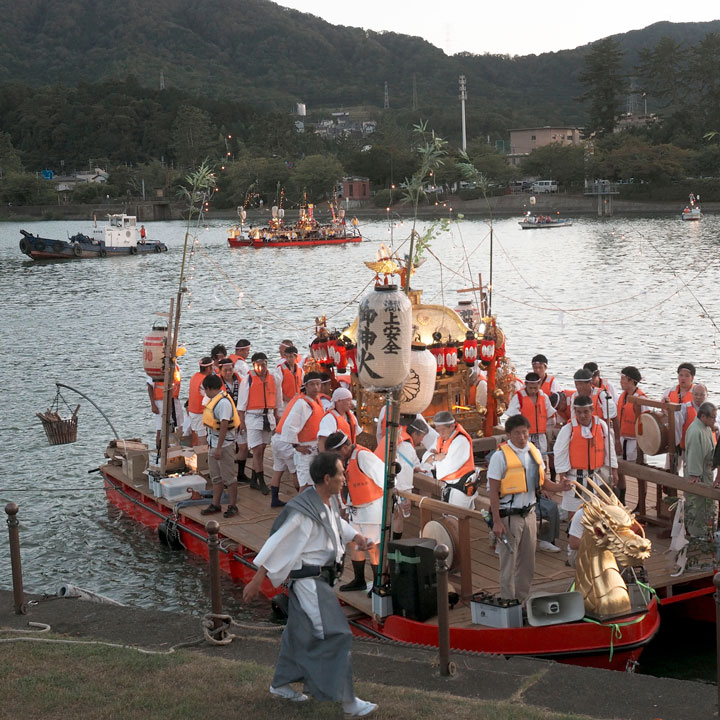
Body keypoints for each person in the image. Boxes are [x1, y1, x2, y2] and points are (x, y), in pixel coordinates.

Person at [242, 453, 377, 716]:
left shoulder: (326, 500)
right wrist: (257, 579)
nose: (344, 477)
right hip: (310, 584)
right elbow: (278, 542)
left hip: (318, 581)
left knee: (298, 633)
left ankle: (280, 685)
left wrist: (357, 537)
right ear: (327, 478)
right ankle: (348, 702)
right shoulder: (303, 511)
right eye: (340, 473)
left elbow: (335, 524)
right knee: (336, 634)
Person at [487, 415, 571, 600]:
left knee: (528, 563)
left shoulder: (534, 452)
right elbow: (492, 491)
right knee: (508, 563)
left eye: (525, 432)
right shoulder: (499, 457)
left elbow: (543, 482)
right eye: (517, 433)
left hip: (530, 514)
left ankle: (521, 599)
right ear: (509, 435)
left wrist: (560, 487)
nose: (522, 437)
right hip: (510, 516)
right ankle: (508, 601)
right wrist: (497, 522)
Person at [325, 431, 385, 592]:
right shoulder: (342, 462)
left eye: (335, 453)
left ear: (345, 448)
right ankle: (359, 579)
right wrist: (344, 508)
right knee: (354, 543)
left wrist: (396, 501)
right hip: (353, 509)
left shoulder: (363, 456)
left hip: (371, 509)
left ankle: (378, 582)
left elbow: (384, 477)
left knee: (373, 546)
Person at [554, 395, 618, 518]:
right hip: (575, 477)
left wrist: (614, 470)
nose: (582, 415)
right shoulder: (568, 429)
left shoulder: (602, 426)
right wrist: (562, 477)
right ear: (574, 411)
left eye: (585, 412)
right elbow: (560, 452)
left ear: (592, 410)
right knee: (573, 514)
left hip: (596, 477)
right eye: (578, 412)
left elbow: (610, 449)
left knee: (597, 513)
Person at [375, 415, 428, 539]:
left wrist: (417, 467)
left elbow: (413, 464)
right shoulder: (406, 446)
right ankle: (394, 545)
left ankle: (387, 542)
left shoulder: (395, 437)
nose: (422, 440)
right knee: (397, 517)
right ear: (415, 434)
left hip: (379, 482)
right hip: (396, 488)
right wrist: (405, 496)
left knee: (387, 517)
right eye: (421, 436)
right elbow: (404, 473)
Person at [237, 353, 281, 497]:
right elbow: (241, 405)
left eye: (264, 364)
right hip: (253, 417)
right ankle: (261, 482)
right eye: (258, 365)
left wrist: (277, 417)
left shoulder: (274, 378)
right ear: (254, 365)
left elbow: (278, 400)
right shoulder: (247, 380)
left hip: (268, 417)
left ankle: (253, 479)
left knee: (261, 449)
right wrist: (242, 422)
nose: (262, 368)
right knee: (256, 451)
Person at [201, 374, 240, 518]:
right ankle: (216, 504)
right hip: (213, 443)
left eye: (205, 389)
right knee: (216, 477)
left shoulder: (223, 403)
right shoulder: (214, 400)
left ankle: (233, 506)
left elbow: (224, 425)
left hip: (224, 445)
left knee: (229, 478)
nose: (205, 392)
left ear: (210, 388)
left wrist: (219, 447)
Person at [422, 411, 478, 509]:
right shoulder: (440, 439)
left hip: (461, 488)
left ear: (452, 426)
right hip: (449, 486)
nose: (441, 433)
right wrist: (436, 457)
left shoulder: (461, 441)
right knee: (448, 515)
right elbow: (425, 458)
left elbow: (447, 468)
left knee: (456, 516)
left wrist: (433, 460)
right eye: (438, 430)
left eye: (443, 430)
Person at [280, 372, 325, 490]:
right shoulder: (302, 404)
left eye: (318, 384)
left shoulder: (318, 401)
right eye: (312, 384)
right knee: (306, 485)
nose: (315, 387)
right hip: (306, 450)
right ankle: (301, 503)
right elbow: (289, 426)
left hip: (316, 448)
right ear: (306, 386)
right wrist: (297, 446)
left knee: (315, 483)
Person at [684, 402, 718, 538]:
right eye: (712, 417)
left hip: (706, 470)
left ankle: (707, 532)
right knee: (696, 505)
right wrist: (694, 474)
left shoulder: (706, 428)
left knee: (707, 505)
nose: (714, 420)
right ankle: (697, 535)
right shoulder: (695, 431)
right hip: (698, 474)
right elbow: (694, 454)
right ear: (703, 416)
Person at [615, 366, 646, 505]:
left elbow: (647, 423)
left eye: (623, 379)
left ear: (632, 381)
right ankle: (621, 500)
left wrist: (642, 444)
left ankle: (641, 503)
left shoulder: (641, 399)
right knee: (619, 469)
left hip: (635, 441)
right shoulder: (622, 396)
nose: (621, 381)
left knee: (639, 473)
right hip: (622, 438)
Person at [506, 372, 555, 458]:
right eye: (530, 388)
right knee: (526, 458)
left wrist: (548, 430)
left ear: (539, 384)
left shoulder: (544, 397)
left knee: (541, 458)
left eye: (535, 388)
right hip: (525, 436)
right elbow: (512, 418)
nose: (533, 390)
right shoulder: (518, 397)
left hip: (540, 436)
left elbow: (550, 415)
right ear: (526, 384)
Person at [219, 357, 250, 484]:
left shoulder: (240, 379)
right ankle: (225, 476)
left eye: (230, 369)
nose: (228, 373)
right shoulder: (216, 382)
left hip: (239, 417)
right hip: (224, 419)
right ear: (220, 370)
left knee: (243, 447)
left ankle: (241, 474)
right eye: (225, 370)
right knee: (226, 449)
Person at [662, 362, 696, 473]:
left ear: (692, 378)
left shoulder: (697, 394)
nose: (683, 378)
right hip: (673, 437)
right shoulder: (669, 392)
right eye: (681, 375)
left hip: (690, 437)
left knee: (690, 470)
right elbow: (663, 412)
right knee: (670, 467)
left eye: (687, 376)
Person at [146, 366, 183, 455]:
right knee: (160, 428)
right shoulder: (157, 368)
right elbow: (150, 386)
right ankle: (159, 451)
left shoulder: (176, 368)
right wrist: (153, 405)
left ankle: (172, 450)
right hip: (160, 402)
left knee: (175, 426)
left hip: (173, 400)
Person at [317, 387, 360, 452]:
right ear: (339, 401)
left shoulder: (351, 416)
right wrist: (324, 457)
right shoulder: (329, 418)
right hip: (335, 455)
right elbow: (322, 442)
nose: (351, 403)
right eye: (348, 400)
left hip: (349, 454)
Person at [186, 356, 213, 446]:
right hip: (199, 412)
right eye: (212, 367)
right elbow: (208, 396)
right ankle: (202, 453)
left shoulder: (195, 376)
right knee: (202, 437)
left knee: (197, 435)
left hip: (192, 411)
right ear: (208, 368)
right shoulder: (204, 380)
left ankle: (198, 451)